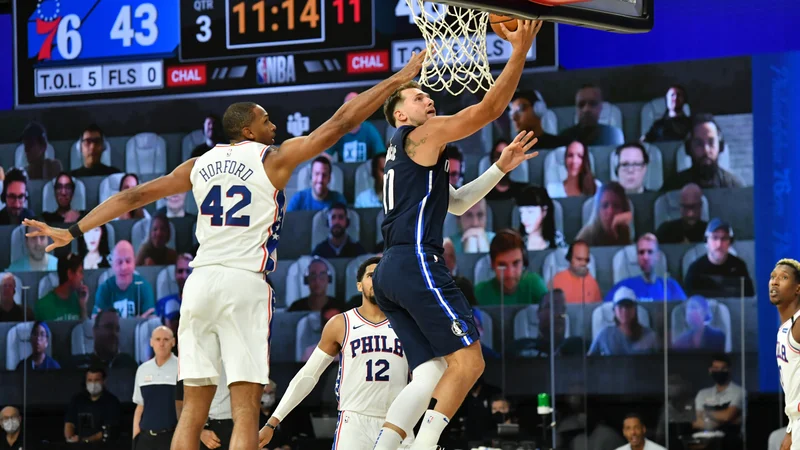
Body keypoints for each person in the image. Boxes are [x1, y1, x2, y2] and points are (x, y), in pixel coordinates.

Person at [23, 51, 427, 450]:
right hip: (243, 283)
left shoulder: (200, 164)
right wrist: (398, 79)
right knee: (246, 408)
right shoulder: (273, 159)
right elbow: (342, 122)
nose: (274, 126)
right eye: (266, 120)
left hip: (199, 285)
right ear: (248, 131)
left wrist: (72, 230)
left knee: (193, 410)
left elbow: (135, 195)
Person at [372, 20, 541, 450]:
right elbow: (486, 112)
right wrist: (518, 51)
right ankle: (425, 446)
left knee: (429, 372)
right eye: (416, 96)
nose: (427, 97)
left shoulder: (404, 154)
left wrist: (500, 167)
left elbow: (460, 204)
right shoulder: (418, 134)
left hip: (391, 271)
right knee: (470, 362)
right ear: (400, 114)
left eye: (426, 93)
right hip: (414, 261)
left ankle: (385, 447)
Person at [259, 256, 413, 448]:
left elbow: (426, 379)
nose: (378, 280)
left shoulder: (408, 324)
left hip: (399, 420)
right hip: (355, 423)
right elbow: (308, 376)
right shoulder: (341, 324)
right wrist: (273, 422)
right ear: (359, 285)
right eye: (372, 275)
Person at [662, 114, 745, 191]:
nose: (706, 150)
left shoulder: (735, 187)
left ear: (720, 146)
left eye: (711, 142)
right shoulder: (672, 187)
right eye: (699, 144)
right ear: (688, 148)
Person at [770, 259, 800, 450]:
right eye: (773, 277)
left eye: (784, 277)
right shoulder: (785, 328)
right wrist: (790, 431)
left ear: (798, 289)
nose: (775, 282)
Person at [604, 234, 686, 303]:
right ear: (637, 257)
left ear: (657, 256)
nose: (645, 257)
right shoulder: (623, 287)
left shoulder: (671, 287)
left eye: (650, 252)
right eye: (641, 252)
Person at [133, 326, 179, 450]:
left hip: (172, 438)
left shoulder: (181, 367)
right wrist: (135, 438)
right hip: (145, 439)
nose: (162, 343)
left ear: (173, 342)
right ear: (151, 342)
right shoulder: (142, 369)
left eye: (166, 339)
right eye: (158, 339)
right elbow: (140, 406)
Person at [683, 219, 755, 297]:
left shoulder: (739, 266)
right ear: (706, 241)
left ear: (730, 242)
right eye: (714, 238)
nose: (719, 244)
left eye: (724, 238)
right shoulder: (695, 269)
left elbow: (749, 300)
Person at [474, 230, 548, 306]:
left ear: (524, 262)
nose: (510, 274)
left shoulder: (535, 285)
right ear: (492, 265)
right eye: (502, 265)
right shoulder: (479, 293)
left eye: (516, 264)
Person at [692, 354, 745, 450]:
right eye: (716, 368)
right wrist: (727, 421)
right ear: (710, 370)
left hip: (731, 444)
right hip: (705, 444)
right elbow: (696, 422)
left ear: (729, 370)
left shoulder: (739, 392)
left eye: (723, 368)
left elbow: (727, 416)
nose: (720, 371)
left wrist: (706, 414)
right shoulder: (702, 394)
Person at [588, 287, 659, 356]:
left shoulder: (650, 336)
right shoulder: (605, 335)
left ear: (635, 309)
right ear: (614, 310)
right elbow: (589, 362)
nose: (625, 311)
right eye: (620, 307)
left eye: (629, 306)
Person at [93, 240, 155, 318]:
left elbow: (151, 320)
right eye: (119, 262)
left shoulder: (144, 286)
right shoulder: (104, 289)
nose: (124, 267)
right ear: (113, 265)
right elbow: (95, 322)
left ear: (134, 263)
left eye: (128, 261)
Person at [65, 366, 121, 444]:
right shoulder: (77, 400)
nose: (93, 384)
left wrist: (85, 440)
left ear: (104, 381)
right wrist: (69, 439)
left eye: (96, 380)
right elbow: (69, 423)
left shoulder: (112, 402)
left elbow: (108, 430)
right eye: (90, 380)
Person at [326, 91, 388, 163]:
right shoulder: (338, 132)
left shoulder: (369, 129)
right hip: (345, 173)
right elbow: (325, 157)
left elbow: (381, 156)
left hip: (364, 173)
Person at [558, 85, 624, 146]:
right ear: (576, 109)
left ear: (600, 108)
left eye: (592, 104)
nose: (586, 109)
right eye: (581, 104)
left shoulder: (613, 135)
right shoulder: (564, 137)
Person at [575, 181, 633, 247]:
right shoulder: (587, 235)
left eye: (616, 206)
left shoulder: (624, 231)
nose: (610, 212)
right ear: (598, 211)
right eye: (605, 206)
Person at [35, 253, 89, 321]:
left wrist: (83, 306)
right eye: (80, 272)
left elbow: (85, 329)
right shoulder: (42, 306)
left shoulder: (78, 300)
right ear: (70, 274)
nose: (82, 277)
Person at [516, 186, 566, 251]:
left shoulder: (556, 239)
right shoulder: (516, 241)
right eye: (521, 212)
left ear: (544, 211)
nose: (524, 219)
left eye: (530, 212)